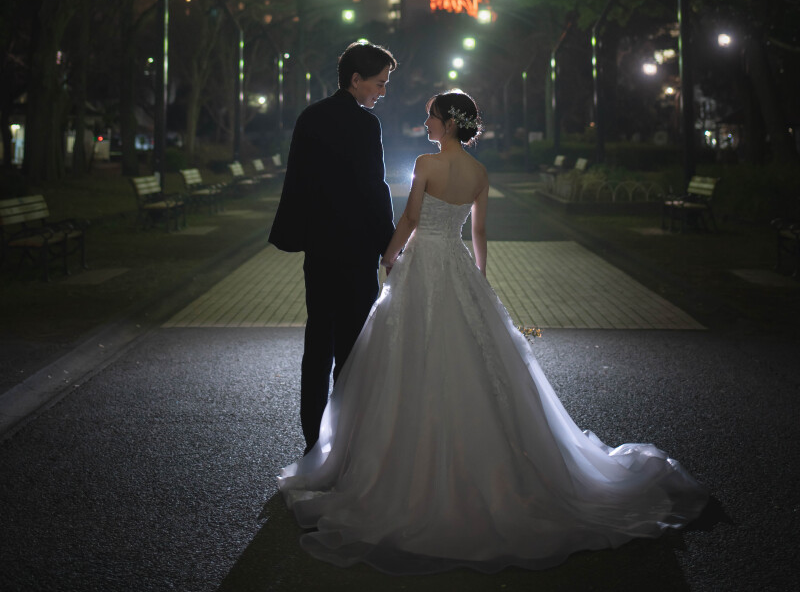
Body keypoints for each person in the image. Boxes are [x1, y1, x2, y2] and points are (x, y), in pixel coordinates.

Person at [277, 89, 708, 575]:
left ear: (447, 123)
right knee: (474, 360)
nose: (426, 124)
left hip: (423, 265)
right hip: (458, 264)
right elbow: (478, 234)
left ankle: (390, 465)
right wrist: (478, 279)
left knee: (406, 355)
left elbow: (413, 219)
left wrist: (389, 256)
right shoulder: (480, 174)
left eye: (431, 117)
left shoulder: (425, 163)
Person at [268, 40, 396, 451]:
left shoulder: (311, 117)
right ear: (355, 80)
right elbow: (374, 189)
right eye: (378, 83)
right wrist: (388, 243)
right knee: (354, 346)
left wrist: (297, 234)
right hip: (357, 251)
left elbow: (297, 183)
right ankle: (345, 436)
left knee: (318, 341)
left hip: (321, 248)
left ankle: (312, 437)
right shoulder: (365, 125)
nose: (381, 92)